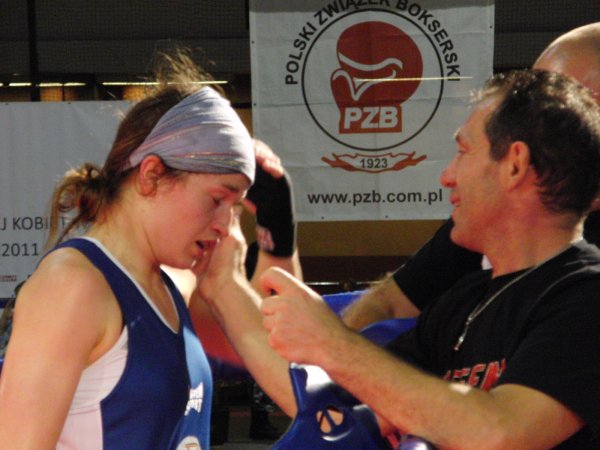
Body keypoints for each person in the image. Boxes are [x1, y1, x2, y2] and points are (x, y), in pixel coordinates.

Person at [199, 69, 600, 448]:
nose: (447, 175)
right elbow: (324, 398)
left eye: (463, 152)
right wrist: (226, 279)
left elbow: (500, 432)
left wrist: (332, 342)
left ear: (514, 165)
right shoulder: (463, 303)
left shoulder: (585, 296)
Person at [0, 52, 263, 449]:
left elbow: (285, 366)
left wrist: (261, 254)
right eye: (216, 200)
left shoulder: (175, 283)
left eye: (236, 206)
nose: (227, 226)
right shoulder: (73, 286)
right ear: (152, 176)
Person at [341, 21, 600, 331]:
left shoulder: (582, 292)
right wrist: (332, 348)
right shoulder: (469, 286)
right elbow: (392, 302)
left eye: (557, 100)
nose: (531, 113)